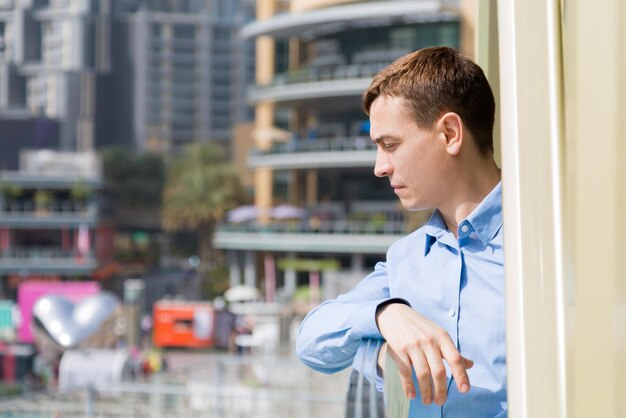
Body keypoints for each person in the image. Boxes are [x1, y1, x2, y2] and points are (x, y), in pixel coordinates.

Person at [296, 46, 506, 417]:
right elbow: (311, 341)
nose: (379, 167)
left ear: (450, 133)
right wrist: (385, 316)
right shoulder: (406, 258)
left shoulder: (542, 246)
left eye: (390, 145)